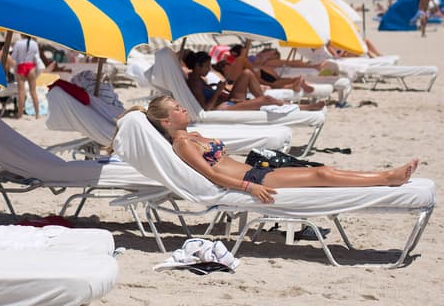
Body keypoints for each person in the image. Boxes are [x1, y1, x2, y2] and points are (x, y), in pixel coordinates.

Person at [127, 96, 419, 204]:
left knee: (322, 171)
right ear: (166, 122)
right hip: (253, 180)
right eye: (177, 109)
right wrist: (249, 188)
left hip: (256, 173)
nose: (183, 109)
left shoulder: (194, 135)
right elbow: (212, 176)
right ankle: (387, 178)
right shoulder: (182, 144)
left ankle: (385, 176)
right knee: (322, 174)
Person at [184, 51, 322, 112]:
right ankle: (304, 108)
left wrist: (218, 89)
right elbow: (206, 108)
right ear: (197, 66)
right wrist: (218, 91)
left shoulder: (197, 78)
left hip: (226, 100)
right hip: (222, 108)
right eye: (207, 66)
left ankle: (262, 101)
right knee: (267, 99)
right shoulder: (195, 83)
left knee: (247, 73)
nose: (209, 69)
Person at [9, 34, 42, 119]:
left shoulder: (18, 43)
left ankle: (20, 114)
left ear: (21, 34)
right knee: (33, 91)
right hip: (31, 67)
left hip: (21, 67)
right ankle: (37, 114)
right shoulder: (34, 43)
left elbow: (13, 57)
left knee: (21, 92)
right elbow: (37, 57)